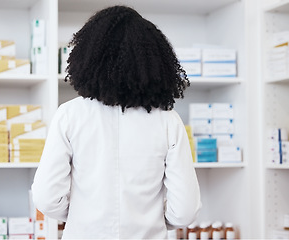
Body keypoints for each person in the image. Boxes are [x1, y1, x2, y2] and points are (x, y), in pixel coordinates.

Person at [31, 5, 201, 239]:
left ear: (89, 57)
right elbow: (185, 211)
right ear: (154, 60)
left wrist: (82, 217)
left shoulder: (70, 115)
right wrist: (152, 220)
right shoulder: (168, 121)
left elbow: (46, 198)